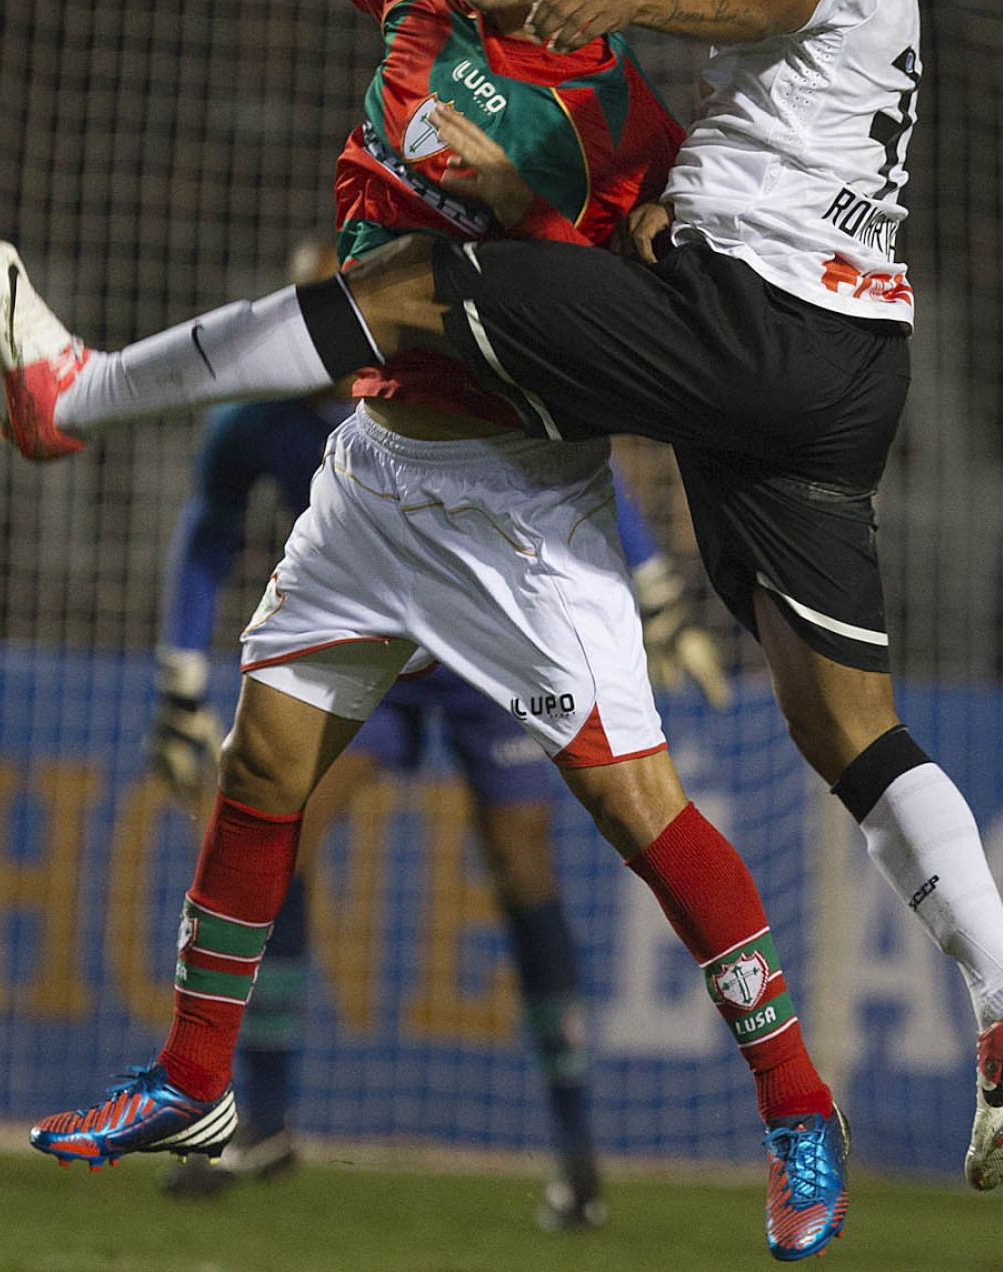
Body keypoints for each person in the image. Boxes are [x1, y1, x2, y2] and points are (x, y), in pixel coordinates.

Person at [0, 0, 1003, 1200]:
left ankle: (796, 1108)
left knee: (636, 798)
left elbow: (709, 106)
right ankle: (193, 1083)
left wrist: (535, 188)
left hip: (537, 491)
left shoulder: (712, 27)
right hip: (388, 479)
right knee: (821, 728)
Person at [153, 244, 724, 1224]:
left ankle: (578, 1155)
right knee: (270, 834)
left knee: (520, 870)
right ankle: (266, 1120)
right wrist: (179, 683)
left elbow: (565, 451)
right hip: (367, 652)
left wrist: (656, 581)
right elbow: (207, 527)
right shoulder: (258, 415)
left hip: (480, 657)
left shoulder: (443, 369)